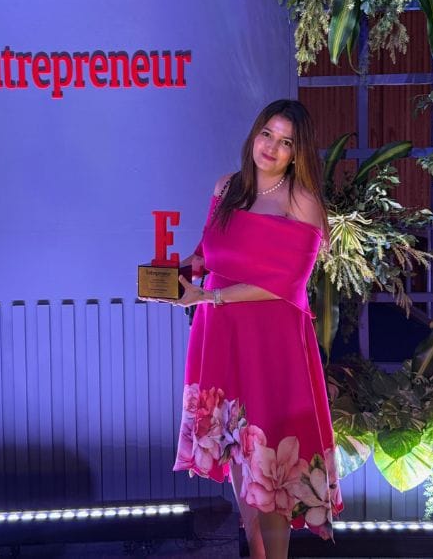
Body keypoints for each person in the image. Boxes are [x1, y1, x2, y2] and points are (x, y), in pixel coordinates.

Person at [154, 100, 341, 558]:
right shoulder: (227, 187)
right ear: (254, 134)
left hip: (274, 342)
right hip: (221, 334)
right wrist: (170, 277)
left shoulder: (303, 202)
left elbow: (289, 283)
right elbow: (207, 255)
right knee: (239, 449)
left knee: (270, 462)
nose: (271, 147)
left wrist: (209, 298)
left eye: (285, 142)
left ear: (297, 153)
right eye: (266, 134)